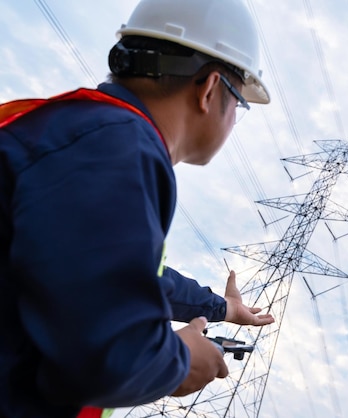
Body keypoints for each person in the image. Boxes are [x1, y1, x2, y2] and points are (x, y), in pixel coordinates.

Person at [0, 0, 274, 416]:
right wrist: (180, 362)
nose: (236, 118)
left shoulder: (89, 134)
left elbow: (132, 281)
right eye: (240, 103)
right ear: (210, 88)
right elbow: (108, 354)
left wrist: (225, 308)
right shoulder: (119, 147)